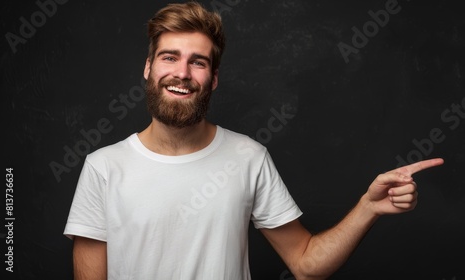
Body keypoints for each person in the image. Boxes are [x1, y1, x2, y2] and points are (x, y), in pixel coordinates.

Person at [63, 1, 444, 279]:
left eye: (198, 61)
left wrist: (368, 208)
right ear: (148, 68)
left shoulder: (248, 157)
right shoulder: (103, 167)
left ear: (213, 79)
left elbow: (306, 264)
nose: (182, 73)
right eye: (169, 57)